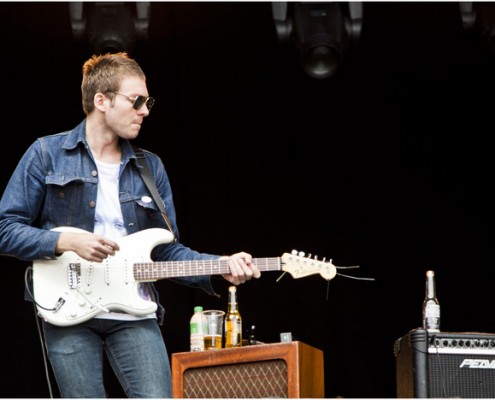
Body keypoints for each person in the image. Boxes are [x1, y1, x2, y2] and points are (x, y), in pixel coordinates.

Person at [0, 52, 261, 398]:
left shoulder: (150, 169)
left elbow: (167, 252)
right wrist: (67, 241)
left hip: (134, 313)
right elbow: (5, 228)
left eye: (147, 101)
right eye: (136, 101)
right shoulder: (45, 154)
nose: (145, 111)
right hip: (67, 309)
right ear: (101, 100)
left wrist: (220, 265)